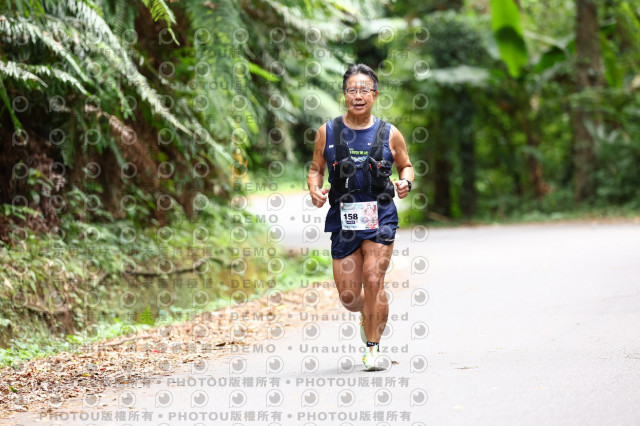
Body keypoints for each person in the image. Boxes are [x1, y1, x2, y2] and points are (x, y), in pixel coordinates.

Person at [307, 64, 414, 371]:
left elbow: (406, 166)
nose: (358, 95)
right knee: (350, 296)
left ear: (374, 95)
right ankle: (366, 313)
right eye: (352, 90)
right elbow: (315, 169)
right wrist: (314, 188)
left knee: (373, 279)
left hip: (381, 214)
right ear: (344, 95)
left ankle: (373, 350)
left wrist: (406, 182)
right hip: (343, 219)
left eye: (364, 90)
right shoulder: (327, 132)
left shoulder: (389, 133)